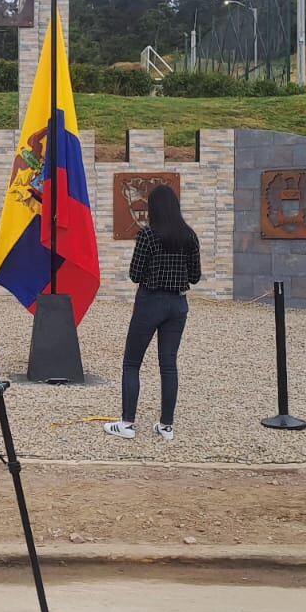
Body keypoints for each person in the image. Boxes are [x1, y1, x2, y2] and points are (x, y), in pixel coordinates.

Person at [104, 184, 201, 442]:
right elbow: (196, 276)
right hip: (177, 305)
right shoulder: (189, 236)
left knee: (132, 363)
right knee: (168, 365)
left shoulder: (147, 235)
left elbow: (135, 274)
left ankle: (127, 423)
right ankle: (166, 426)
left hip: (150, 302)